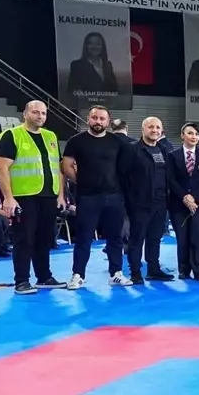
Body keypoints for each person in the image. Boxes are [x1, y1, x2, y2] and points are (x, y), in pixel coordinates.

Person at [0, 101, 66, 294]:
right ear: (25, 114)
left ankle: (44, 277)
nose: (40, 116)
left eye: (43, 113)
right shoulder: (12, 135)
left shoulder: (51, 136)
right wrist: (8, 198)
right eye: (35, 112)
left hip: (48, 196)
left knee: (45, 238)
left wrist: (60, 195)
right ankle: (22, 281)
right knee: (24, 239)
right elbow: (2, 168)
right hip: (24, 196)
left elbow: (58, 168)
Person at [61, 106, 131, 289]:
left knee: (115, 237)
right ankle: (78, 275)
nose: (98, 121)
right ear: (88, 119)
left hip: (113, 196)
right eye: (94, 118)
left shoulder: (117, 142)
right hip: (87, 197)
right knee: (83, 237)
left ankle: (116, 273)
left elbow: (124, 167)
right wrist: (82, 181)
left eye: (102, 118)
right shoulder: (76, 141)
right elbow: (66, 165)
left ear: (108, 121)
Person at [118, 116, 174, 284]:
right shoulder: (131, 149)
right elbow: (121, 176)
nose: (154, 130)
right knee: (137, 239)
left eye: (157, 127)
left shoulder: (164, 150)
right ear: (143, 129)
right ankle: (135, 272)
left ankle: (153, 269)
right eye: (151, 127)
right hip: (139, 204)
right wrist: (126, 201)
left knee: (155, 238)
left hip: (161, 202)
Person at [166, 123, 199, 280]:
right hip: (178, 205)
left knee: (198, 238)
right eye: (190, 133)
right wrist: (185, 197)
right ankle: (184, 270)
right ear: (182, 135)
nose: (194, 137)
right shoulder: (172, 155)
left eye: (196, 134)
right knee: (182, 238)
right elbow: (171, 180)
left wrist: (194, 197)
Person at [66, 31, 120, 105]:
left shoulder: (108, 65)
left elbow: (114, 89)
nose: (94, 47)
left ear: (103, 47)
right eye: (90, 43)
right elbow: (71, 90)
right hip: (85, 105)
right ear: (86, 46)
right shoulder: (77, 65)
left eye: (98, 44)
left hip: (106, 106)